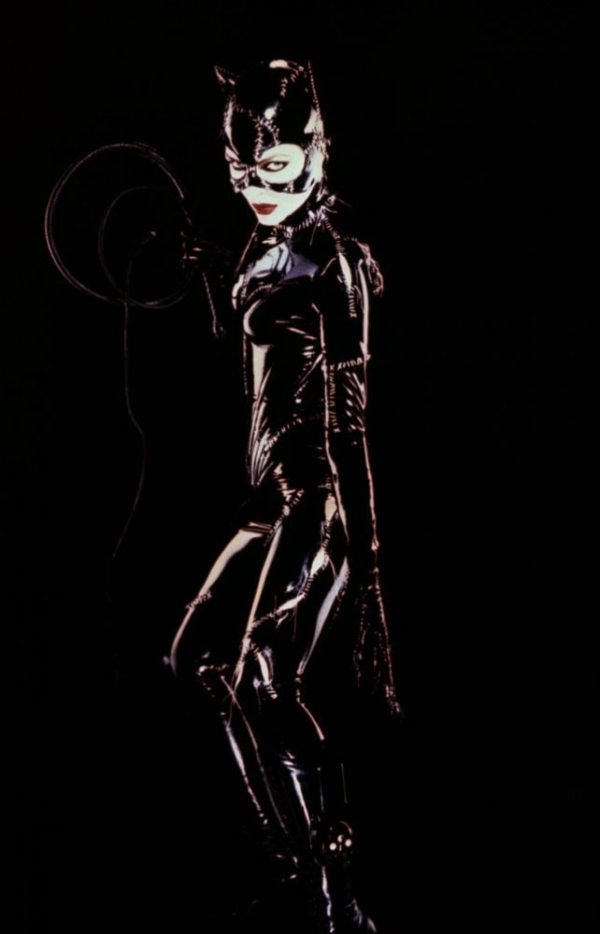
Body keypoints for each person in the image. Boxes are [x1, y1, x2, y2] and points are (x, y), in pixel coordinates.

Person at [167, 59, 401, 934]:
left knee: (266, 675)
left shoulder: (337, 262)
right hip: (267, 496)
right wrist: (216, 273)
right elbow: (260, 342)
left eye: (273, 168)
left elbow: (351, 425)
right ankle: (291, 862)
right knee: (198, 658)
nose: (256, 188)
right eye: (240, 171)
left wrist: (368, 574)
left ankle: (336, 898)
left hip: (317, 496)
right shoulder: (263, 247)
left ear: (315, 153)